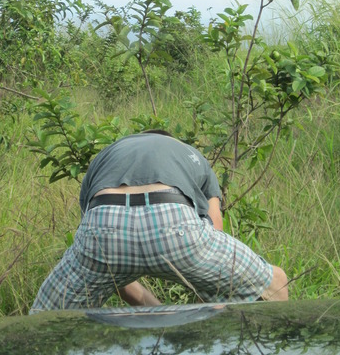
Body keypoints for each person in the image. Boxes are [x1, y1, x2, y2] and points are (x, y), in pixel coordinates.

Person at [31, 130, 288, 310]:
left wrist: (159, 314)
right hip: (172, 216)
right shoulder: (190, 153)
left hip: (104, 219)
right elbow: (216, 232)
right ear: (170, 139)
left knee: (44, 319)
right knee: (275, 281)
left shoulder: (107, 154)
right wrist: (199, 322)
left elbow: (111, 271)